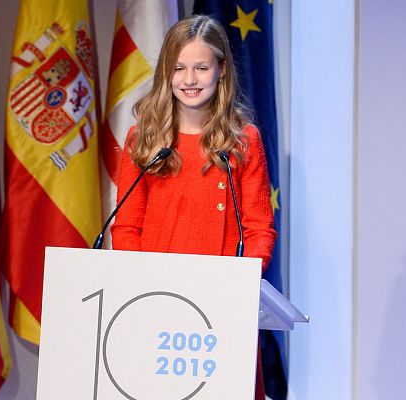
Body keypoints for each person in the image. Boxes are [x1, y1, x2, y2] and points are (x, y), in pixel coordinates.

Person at [110, 15, 276, 400]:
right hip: (155, 301)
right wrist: (144, 281)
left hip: (219, 305)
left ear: (221, 71)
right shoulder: (145, 139)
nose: (190, 79)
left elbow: (259, 229)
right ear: (166, 73)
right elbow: (127, 225)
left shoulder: (242, 141)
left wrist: (238, 280)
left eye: (201, 68)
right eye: (179, 68)